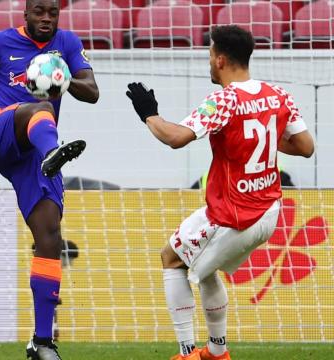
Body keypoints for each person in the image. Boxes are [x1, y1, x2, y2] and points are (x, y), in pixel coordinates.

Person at [126, 25, 314, 360]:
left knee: (172, 258)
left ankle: (186, 353)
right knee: (204, 266)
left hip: (234, 215)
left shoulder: (224, 100)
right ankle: (216, 353)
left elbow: (175, 138)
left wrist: (149, 114)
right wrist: (264, 136)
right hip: (269, 210)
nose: (209, 61)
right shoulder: (279, 95)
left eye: (210, 55)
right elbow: (305, 147)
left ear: (221, 59)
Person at [0, 1, 99, 358]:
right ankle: (52, 150)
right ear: (26, 14)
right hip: (1, 132)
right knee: (41, 108)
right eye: (38, 12)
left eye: (52, 12)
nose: (45, 18)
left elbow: (92, 92)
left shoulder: (66, 44)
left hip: (32, 157)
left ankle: (42, 342)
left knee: (49, 238)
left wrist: (64, 78)